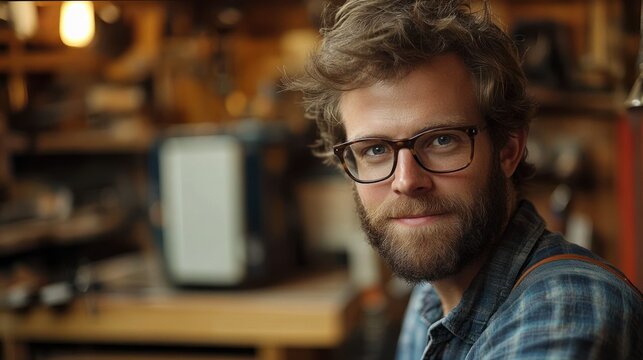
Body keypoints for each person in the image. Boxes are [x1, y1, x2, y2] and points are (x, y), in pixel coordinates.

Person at [288, 0, 643, 358]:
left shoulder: (565, 314)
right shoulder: (431, 295)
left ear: (507, 149)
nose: (407, 181)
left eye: (442, 140)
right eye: (375, 150)